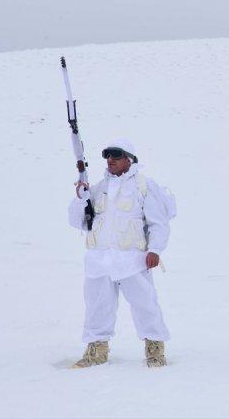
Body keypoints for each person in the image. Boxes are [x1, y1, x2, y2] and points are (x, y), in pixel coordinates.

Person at [68, 138, 171, 368]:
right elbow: (78, 223)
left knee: (145, 305)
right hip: (99, 261)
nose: (110, 160)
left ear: (129, 159)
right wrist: (79, 199)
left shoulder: (144, 186)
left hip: (132, 260)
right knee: (96, 306)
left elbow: (158, 223)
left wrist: (155, 249)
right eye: (107, 156)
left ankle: (154, 348)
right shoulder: (97, 188)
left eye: (116, 155)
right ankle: (96, 349)